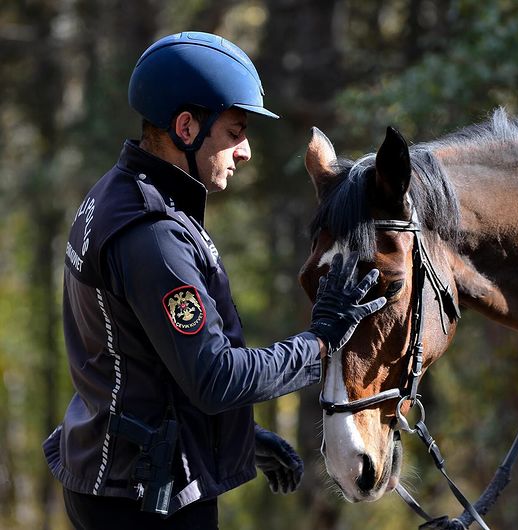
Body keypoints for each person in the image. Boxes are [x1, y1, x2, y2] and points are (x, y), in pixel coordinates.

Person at [43, 31, 386, 530]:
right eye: (234, 132)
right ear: (186, 127)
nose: (244, 151)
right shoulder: (153, 236)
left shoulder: (117, 193)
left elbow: (152, 364)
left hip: (121, 472)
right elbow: (215, 377)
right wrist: (321, 343)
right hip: (144, 500)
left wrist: (238, 438)